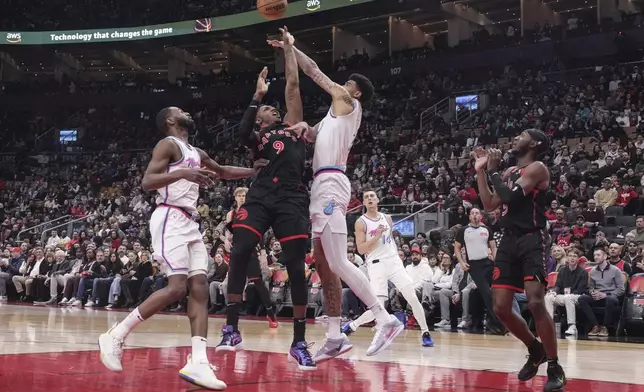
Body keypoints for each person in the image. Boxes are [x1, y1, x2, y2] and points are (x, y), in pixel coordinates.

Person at [98, 106, 264, 390]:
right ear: (171, 120)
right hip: (169, 217)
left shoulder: (196, 151)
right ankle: (116, 334)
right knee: (177, 288)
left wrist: (254, 170)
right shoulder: (168, 144)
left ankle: (198, 361)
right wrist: (183, 173)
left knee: (200, 286)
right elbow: (147, 182)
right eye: (181, 110)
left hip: (190, 222)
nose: (188, 112)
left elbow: (222, 171)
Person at [269, 36, 404, 360]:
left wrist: (291, 46)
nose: (339, 86)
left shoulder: (348, 101)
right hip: (322, 184)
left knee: (339, 261)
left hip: (331, 182)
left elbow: (314, 71)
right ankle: (334, 336)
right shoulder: (334, 117)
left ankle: (383, 318)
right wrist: (305, 128)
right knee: (324, 263)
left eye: (345, 84)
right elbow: (316, 135)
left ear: (354, 91)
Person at [216, 28, 316, 370]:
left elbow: (292, 85)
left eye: (276, 109)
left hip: (291, 196)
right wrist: (257, 96)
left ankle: (299, 342)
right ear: (262, 119)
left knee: (296, 268)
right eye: (269, 110)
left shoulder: (294, 127)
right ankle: (231, 327)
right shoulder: (258, 137)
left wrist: (289, 48)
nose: (276, 110)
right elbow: (242, 134)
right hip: (260, 194)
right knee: (240, 250)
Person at [474, 129, 566, 392]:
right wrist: (482, 171)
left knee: (536, 302)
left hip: (532, 239)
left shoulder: (537, 168)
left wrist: (492, 171)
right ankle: (534, 348)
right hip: (508, 240)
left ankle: (554, 366)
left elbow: (513, 197)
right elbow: (491, 203)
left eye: (522, 135)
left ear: (534, 143)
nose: (515, 137)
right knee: (501, 307)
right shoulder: (508, 172)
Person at [340, 189, 433, 349]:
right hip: (376, 264)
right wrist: (376, 236)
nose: (369, 199)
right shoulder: (361, 222)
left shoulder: (387, 218)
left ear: (377, 200)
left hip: (394, 261)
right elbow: (361, 249)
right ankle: (352, 326)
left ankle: (425, 332)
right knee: (379, 307)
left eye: (372, 196)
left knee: (411, 296)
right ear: (363, 202)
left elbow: (388, 241)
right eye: (366, 197)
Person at [224, 186, 278, 328]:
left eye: (244, 195)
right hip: (236, 250)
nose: (242, 197)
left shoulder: (253, 212)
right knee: (234, 284)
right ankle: (231, 319)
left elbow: (259, 235)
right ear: (235, 197)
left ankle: (270, 312)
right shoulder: (231, 214)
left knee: (258, 283)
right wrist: (225, 240)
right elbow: (228, 234)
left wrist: (263, 254)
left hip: (251, 250)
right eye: (239, 195)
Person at [453, 208, 504, 333]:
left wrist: (496, 262)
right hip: (474, 265)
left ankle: (481, 320)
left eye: (477, 213)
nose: (475, 215)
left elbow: (493, 246)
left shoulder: (486, 229)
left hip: (488, 263)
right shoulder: (463, 230)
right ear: (469, 216)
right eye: (472, 213)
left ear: (481, 216)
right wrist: (461, 262)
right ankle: (497, 324)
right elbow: (457, 248)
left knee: (485, 293)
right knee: (487, 293)